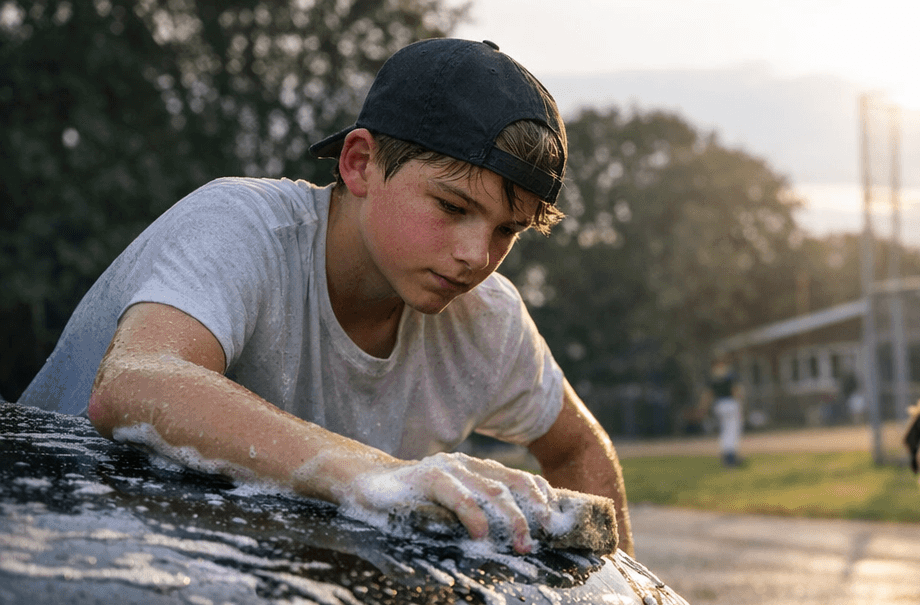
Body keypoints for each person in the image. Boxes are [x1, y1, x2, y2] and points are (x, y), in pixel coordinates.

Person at [20, 38, 632, 555]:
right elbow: (136, 382)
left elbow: (578, 446)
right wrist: (381, 477)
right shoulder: (242, 224)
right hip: (46, 567)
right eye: (452, 206)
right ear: (360, 163)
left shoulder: (489, 319)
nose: (478, 255)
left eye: (507, 230)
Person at [706, 359, 744, 466]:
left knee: (725, 430)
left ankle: (727, 456)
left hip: (719, 405)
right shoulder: (730, 375)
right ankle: (730, 457)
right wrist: (741, 403)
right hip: (731, 404)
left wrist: (703, 409)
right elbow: (735, 390)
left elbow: (708, 395)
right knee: (732, 430)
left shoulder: (713, 377)